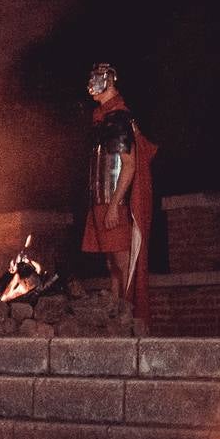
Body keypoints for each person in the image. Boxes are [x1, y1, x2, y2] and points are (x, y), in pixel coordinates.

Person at [81, 63, 157, 329]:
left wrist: (114, 205)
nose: (92, 84)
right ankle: (115, 316)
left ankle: (127, 320)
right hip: (102, 201)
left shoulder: (119, 117)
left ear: (110, 82)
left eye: (97, 79)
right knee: (111, 264)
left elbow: (130, 165)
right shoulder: (103, 117)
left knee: (124, 263)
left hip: (116, 202)